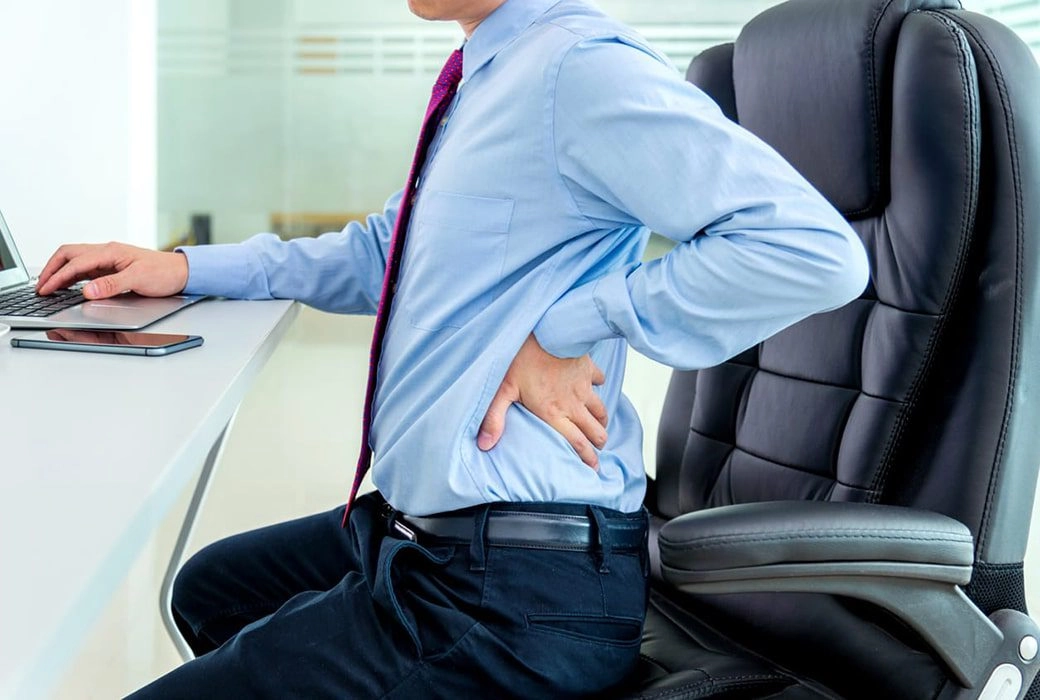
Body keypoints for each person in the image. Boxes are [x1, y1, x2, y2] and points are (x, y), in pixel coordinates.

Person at [37, 0, 870, 697]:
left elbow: (808, 250)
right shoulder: (492, 75)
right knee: (213, 591)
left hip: (508, 590)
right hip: (419, 536)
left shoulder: (579, 71)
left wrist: (562, 328)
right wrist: (184, 265)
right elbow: (383, 252)